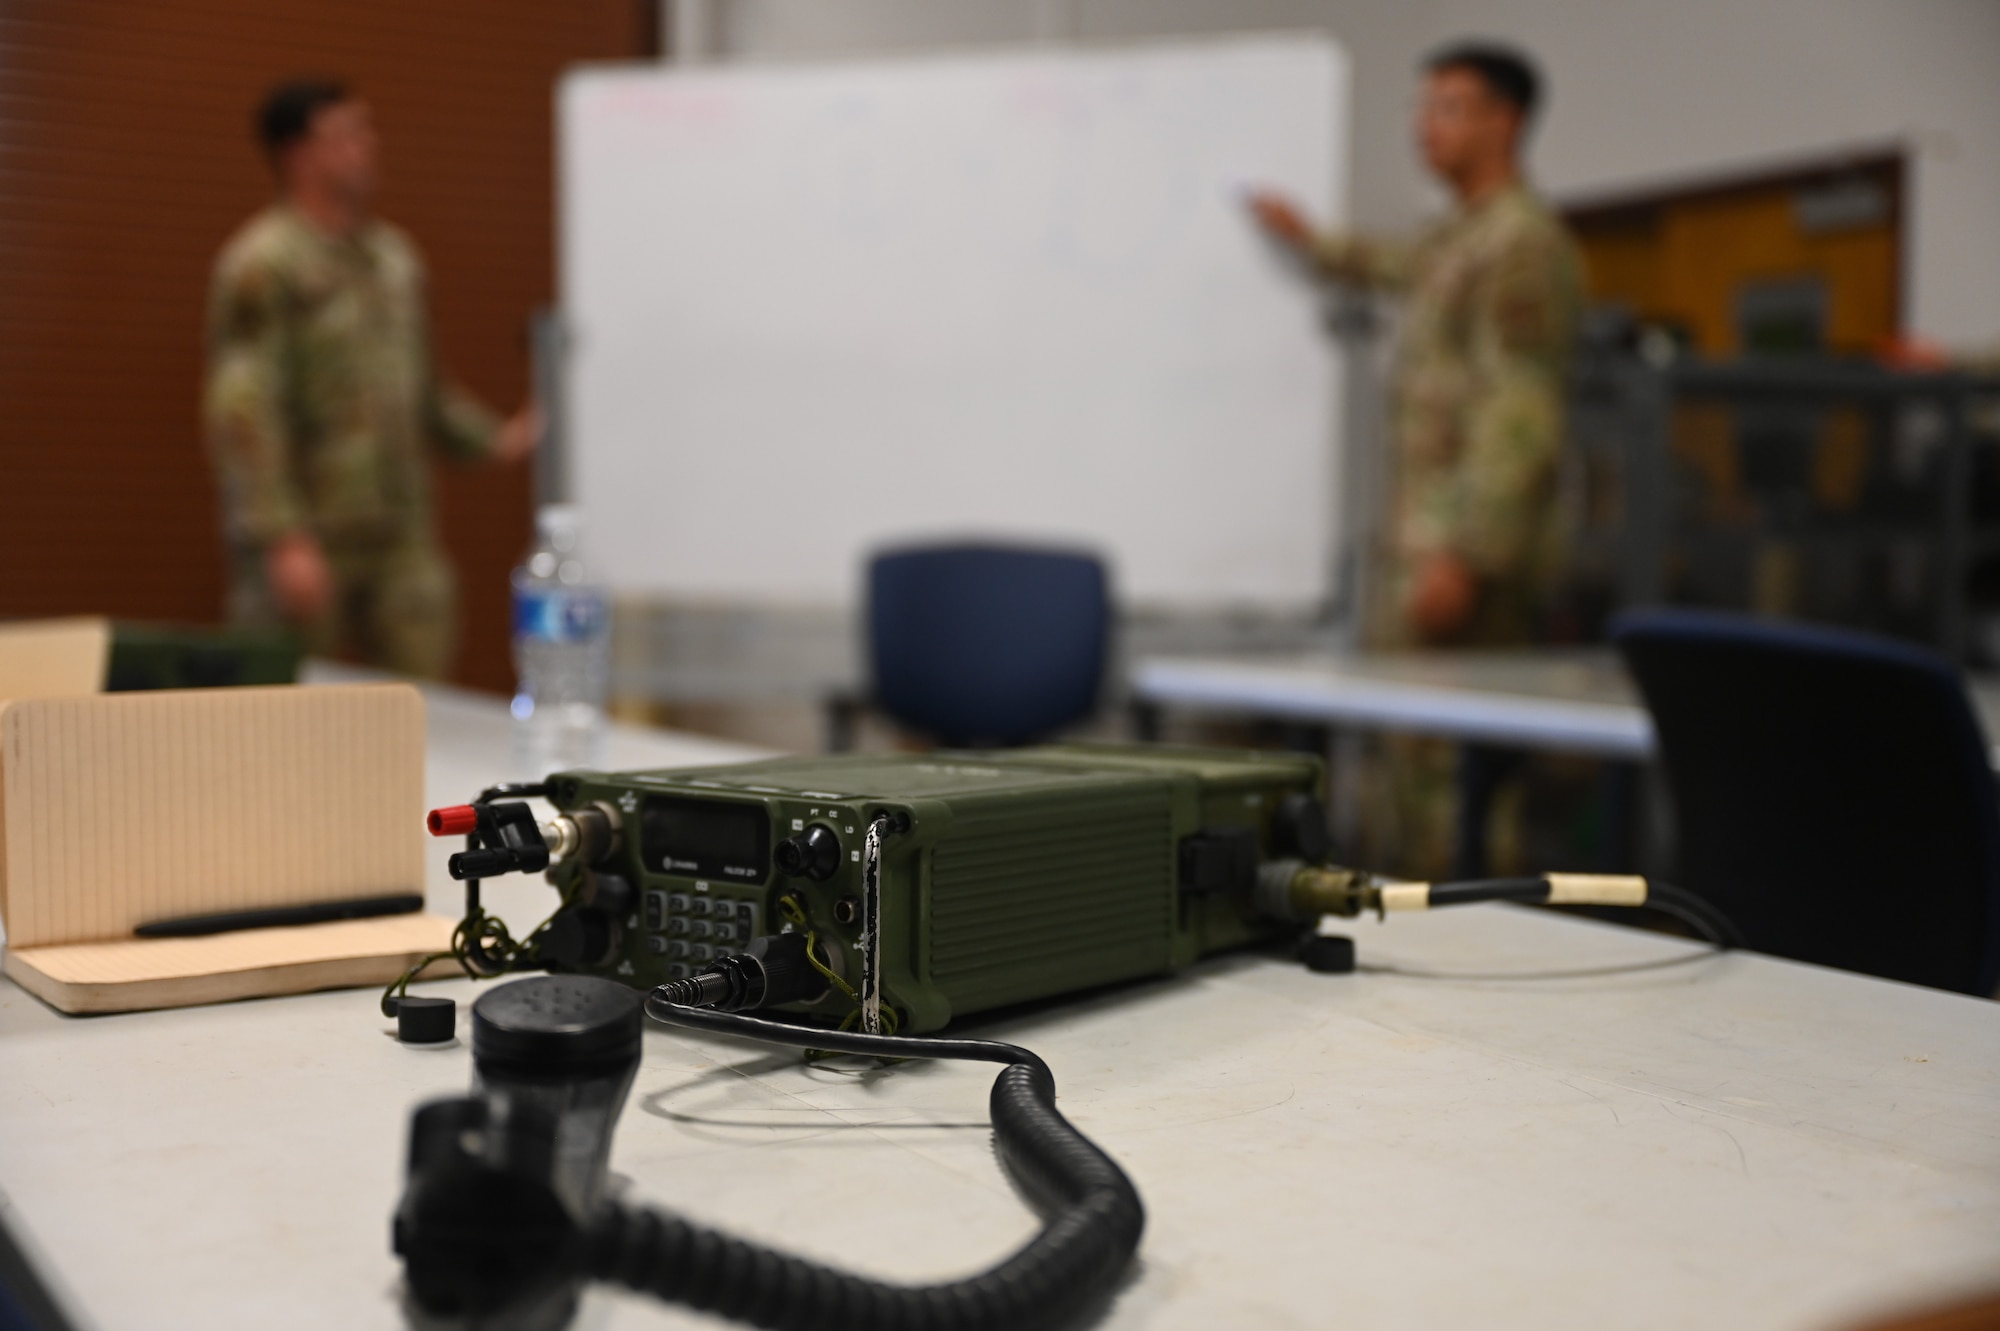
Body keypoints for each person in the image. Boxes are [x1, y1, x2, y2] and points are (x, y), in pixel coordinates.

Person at [1249, 43, 1585, 878]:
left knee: (1459, 773)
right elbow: (1388, 265)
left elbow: (1524, 412)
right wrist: (1307, 238)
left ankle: (1485, 945)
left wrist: (1466, 556)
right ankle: (1427, 940)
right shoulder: (1456, 240)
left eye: (1447, 108)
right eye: (1420, 108)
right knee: (1415, 761)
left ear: (1503, 121)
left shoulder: (1522, 245)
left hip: (1461, 557)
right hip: (1423, 547)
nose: (1422, 127)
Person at [204, 78, 537, 679]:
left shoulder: (394, 260)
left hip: (399, 530)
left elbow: (424, 389)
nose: (367, 145)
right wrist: (283, 538)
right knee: (283, 711)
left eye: (366, 129)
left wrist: (498, 438)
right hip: (313, 527)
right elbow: (243, 408)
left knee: (419, 708)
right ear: (298, 152)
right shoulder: (264, 262)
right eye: (345, 133)